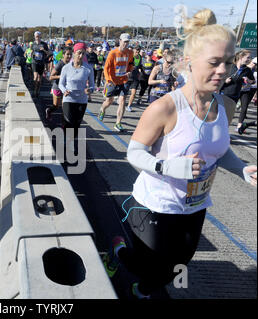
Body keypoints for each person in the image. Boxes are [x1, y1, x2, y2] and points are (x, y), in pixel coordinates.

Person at [103, 9, 257, 299]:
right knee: (149, 263)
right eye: (214, 63)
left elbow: (218, 152)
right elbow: (134, 153)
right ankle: (119, 253)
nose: (223, 70)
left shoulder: (224, 105)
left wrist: (241, 169)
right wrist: (169, 167)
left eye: (227, 63)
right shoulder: (165, 108)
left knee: (179, 263)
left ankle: (142, 289)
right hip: (155, 204)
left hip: (194, 205)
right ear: (189, 61)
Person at [58, 42, 95, 152]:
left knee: (76, 123)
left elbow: (92, 85)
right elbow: (61, 84)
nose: (81, 56)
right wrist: (64, 91)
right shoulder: (66, 68)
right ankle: (67, 141)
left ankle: (71, 141)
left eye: (83, 54)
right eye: (79, 53)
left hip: (81, 100)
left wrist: (89, 90)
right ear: (74, 53)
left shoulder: (88, 69)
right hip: (68, 98)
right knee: (68, 121)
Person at [98, 33, 134, 132]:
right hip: (113, 81)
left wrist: (130, 71)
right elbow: (106, 68)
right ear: (120, 41)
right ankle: (102, 110)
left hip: (124, 80)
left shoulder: (130, 53)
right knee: (109, 101)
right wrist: (108, 80)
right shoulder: (113, 53)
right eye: (124, 41)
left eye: (127, 42)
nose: (126, 44)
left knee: (122, 101)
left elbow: (131, 63)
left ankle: (118, 123)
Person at [46, 46, 72, 120]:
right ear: (63, 55)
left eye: (70, 54)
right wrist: (61, 76)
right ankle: (49, 110)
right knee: (56, 106)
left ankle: (64, 124)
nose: (69, 56)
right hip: (57, 87)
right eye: (67, 54)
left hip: (66, 89)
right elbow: (50, 77)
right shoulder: (60, 64)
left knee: (65, 108)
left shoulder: (71, 65)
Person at [237, 57, 257, 133]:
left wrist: (249, 80)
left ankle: (240, 125)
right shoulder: (244, 68)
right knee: (230, 107)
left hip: (246, 91)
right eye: (254, 63)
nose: (254, 65)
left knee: (244, 107)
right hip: (237, 90)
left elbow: (253, 82)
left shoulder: (252, 71)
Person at [31, 31, 49, 98]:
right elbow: (31, 51)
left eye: (38, 36)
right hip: (34, 62)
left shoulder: (44, 44)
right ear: (35, 37)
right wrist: (31, 54)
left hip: (41, 63)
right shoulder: (33, 44)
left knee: (39, 79)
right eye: (36, 37)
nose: (37, 38)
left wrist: (43, 50)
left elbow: (48, 53)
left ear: (40, 37)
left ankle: (38, 90)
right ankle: (34, 91)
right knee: (35, 77)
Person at [126, 46, 144, 112]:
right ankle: (120, 100)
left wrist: (140, 71)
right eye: (136, 50)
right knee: (125, 92)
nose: (137, 52)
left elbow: (139, 66)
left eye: (138, 51)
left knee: (133, 93)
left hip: (135, 77)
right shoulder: (129, 56)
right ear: (133, 50)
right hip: (128, 76)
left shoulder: (140, 57)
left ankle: (129, 106)